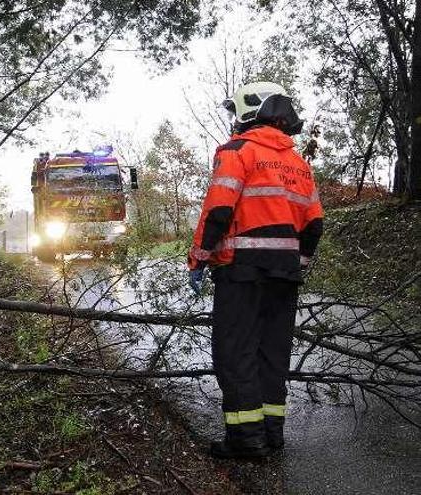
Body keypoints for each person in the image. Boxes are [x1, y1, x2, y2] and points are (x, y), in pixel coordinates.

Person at [187, 81, 324, 458]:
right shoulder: (298, 164)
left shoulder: (237, 152)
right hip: (283, 275)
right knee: (272, 352)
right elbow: (314, 225)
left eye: (235, 111)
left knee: (235, 353)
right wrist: (296, 263)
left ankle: (247, 441)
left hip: (241, 271)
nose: (233, 119)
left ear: (251, 109)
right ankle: (271, 433)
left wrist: (198, 258)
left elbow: (218, 210)